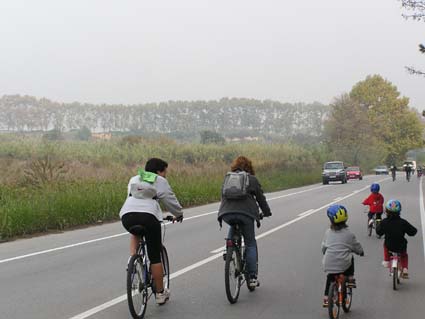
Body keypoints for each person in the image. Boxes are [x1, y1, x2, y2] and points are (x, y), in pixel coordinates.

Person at [119, 158, 184, 305]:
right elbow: (169, 199)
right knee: (154, 256)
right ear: (159, 171)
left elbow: (131, 196)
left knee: (135, 231)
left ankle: (133, 261)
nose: (165, 175)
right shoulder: (160, 180)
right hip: (148, 217)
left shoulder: (135, 178)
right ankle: (160, 293)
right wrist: (178, 214)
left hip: (127, 215)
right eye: (165, 171)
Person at [217, 156, 272, 288]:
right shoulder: (251, 179)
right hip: (246, 214)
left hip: (227, 213)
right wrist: (266, 212)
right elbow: (260, 198)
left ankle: (229, 249)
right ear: (249, 167)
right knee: (250, 243)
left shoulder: (227, 178)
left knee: (233, 225)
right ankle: (252, 277)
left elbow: (223, 195)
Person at [322, 205, 364, 307]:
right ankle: (350, 278)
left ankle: (327, 298)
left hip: (329, 263)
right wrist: (360, 252)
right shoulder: (349, 234)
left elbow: (324, 247)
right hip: (344, 264)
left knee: (330, 277)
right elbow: (356, 246)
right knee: (351, 258)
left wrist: (325, 252)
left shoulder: (328, 233)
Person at [376, 199, 417, 278]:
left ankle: (387, 260)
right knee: (404, 255)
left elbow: (378, 232)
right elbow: (413, 232)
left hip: (389, 245)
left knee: (385, 245)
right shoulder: (403, 222)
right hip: (401, 245)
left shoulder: (384, 222)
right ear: (399, 211)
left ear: (386, 211)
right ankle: (405, 268)